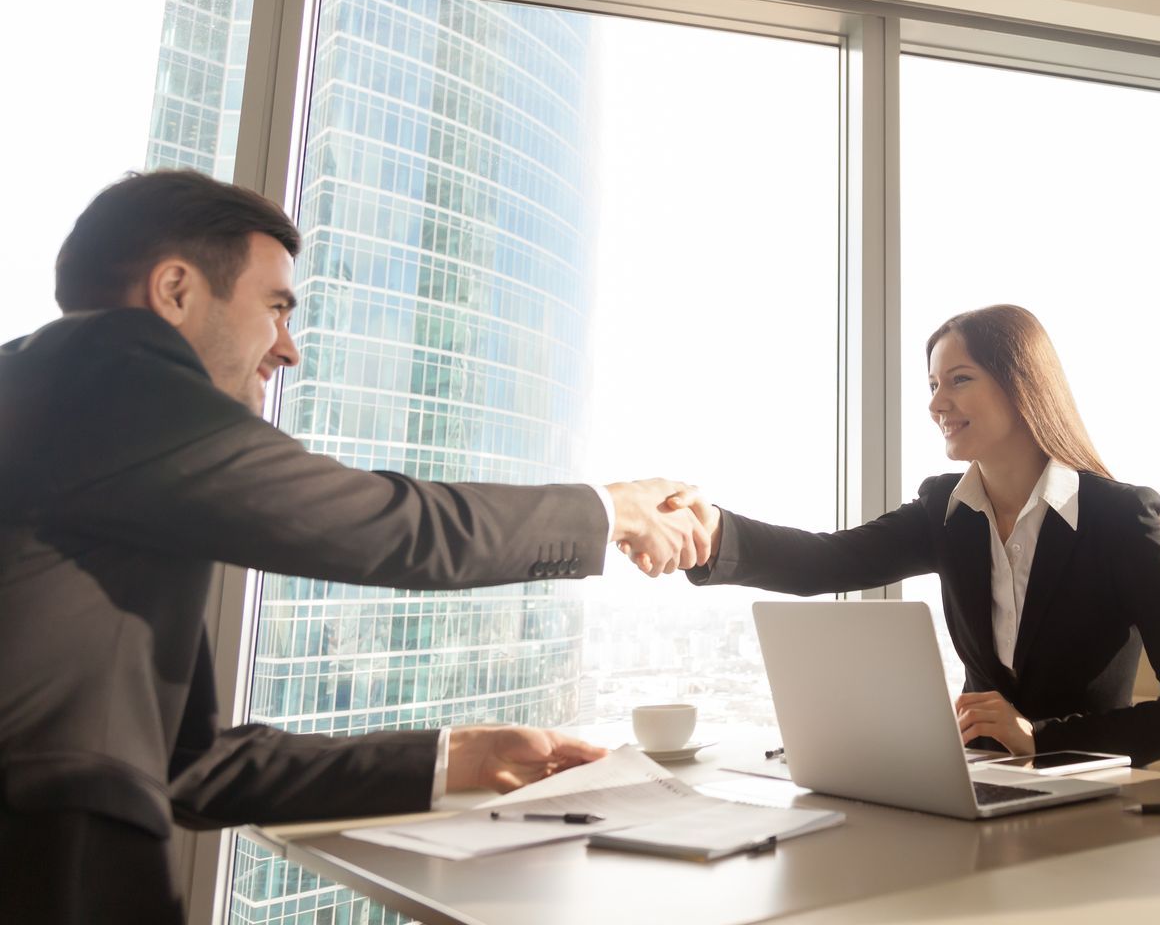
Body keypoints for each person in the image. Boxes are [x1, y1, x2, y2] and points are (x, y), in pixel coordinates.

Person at [0, 169, 715, 924]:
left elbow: (191, 767)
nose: (288, 350)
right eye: (275, 308)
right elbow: (390, 527)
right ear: (175, 290)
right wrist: (613, 512)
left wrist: (457, 758)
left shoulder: (72, 414)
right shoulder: (107, 377)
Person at [684, 304, 1160, 766]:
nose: (936, 403)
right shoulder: (944, 510)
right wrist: (712, 533)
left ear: (1021, 384)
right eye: (933, 385)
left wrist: (1041, 739)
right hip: (977, 782)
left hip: (1086, 798)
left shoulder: (1117, 518)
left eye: (959, 380)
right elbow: (827, 561)